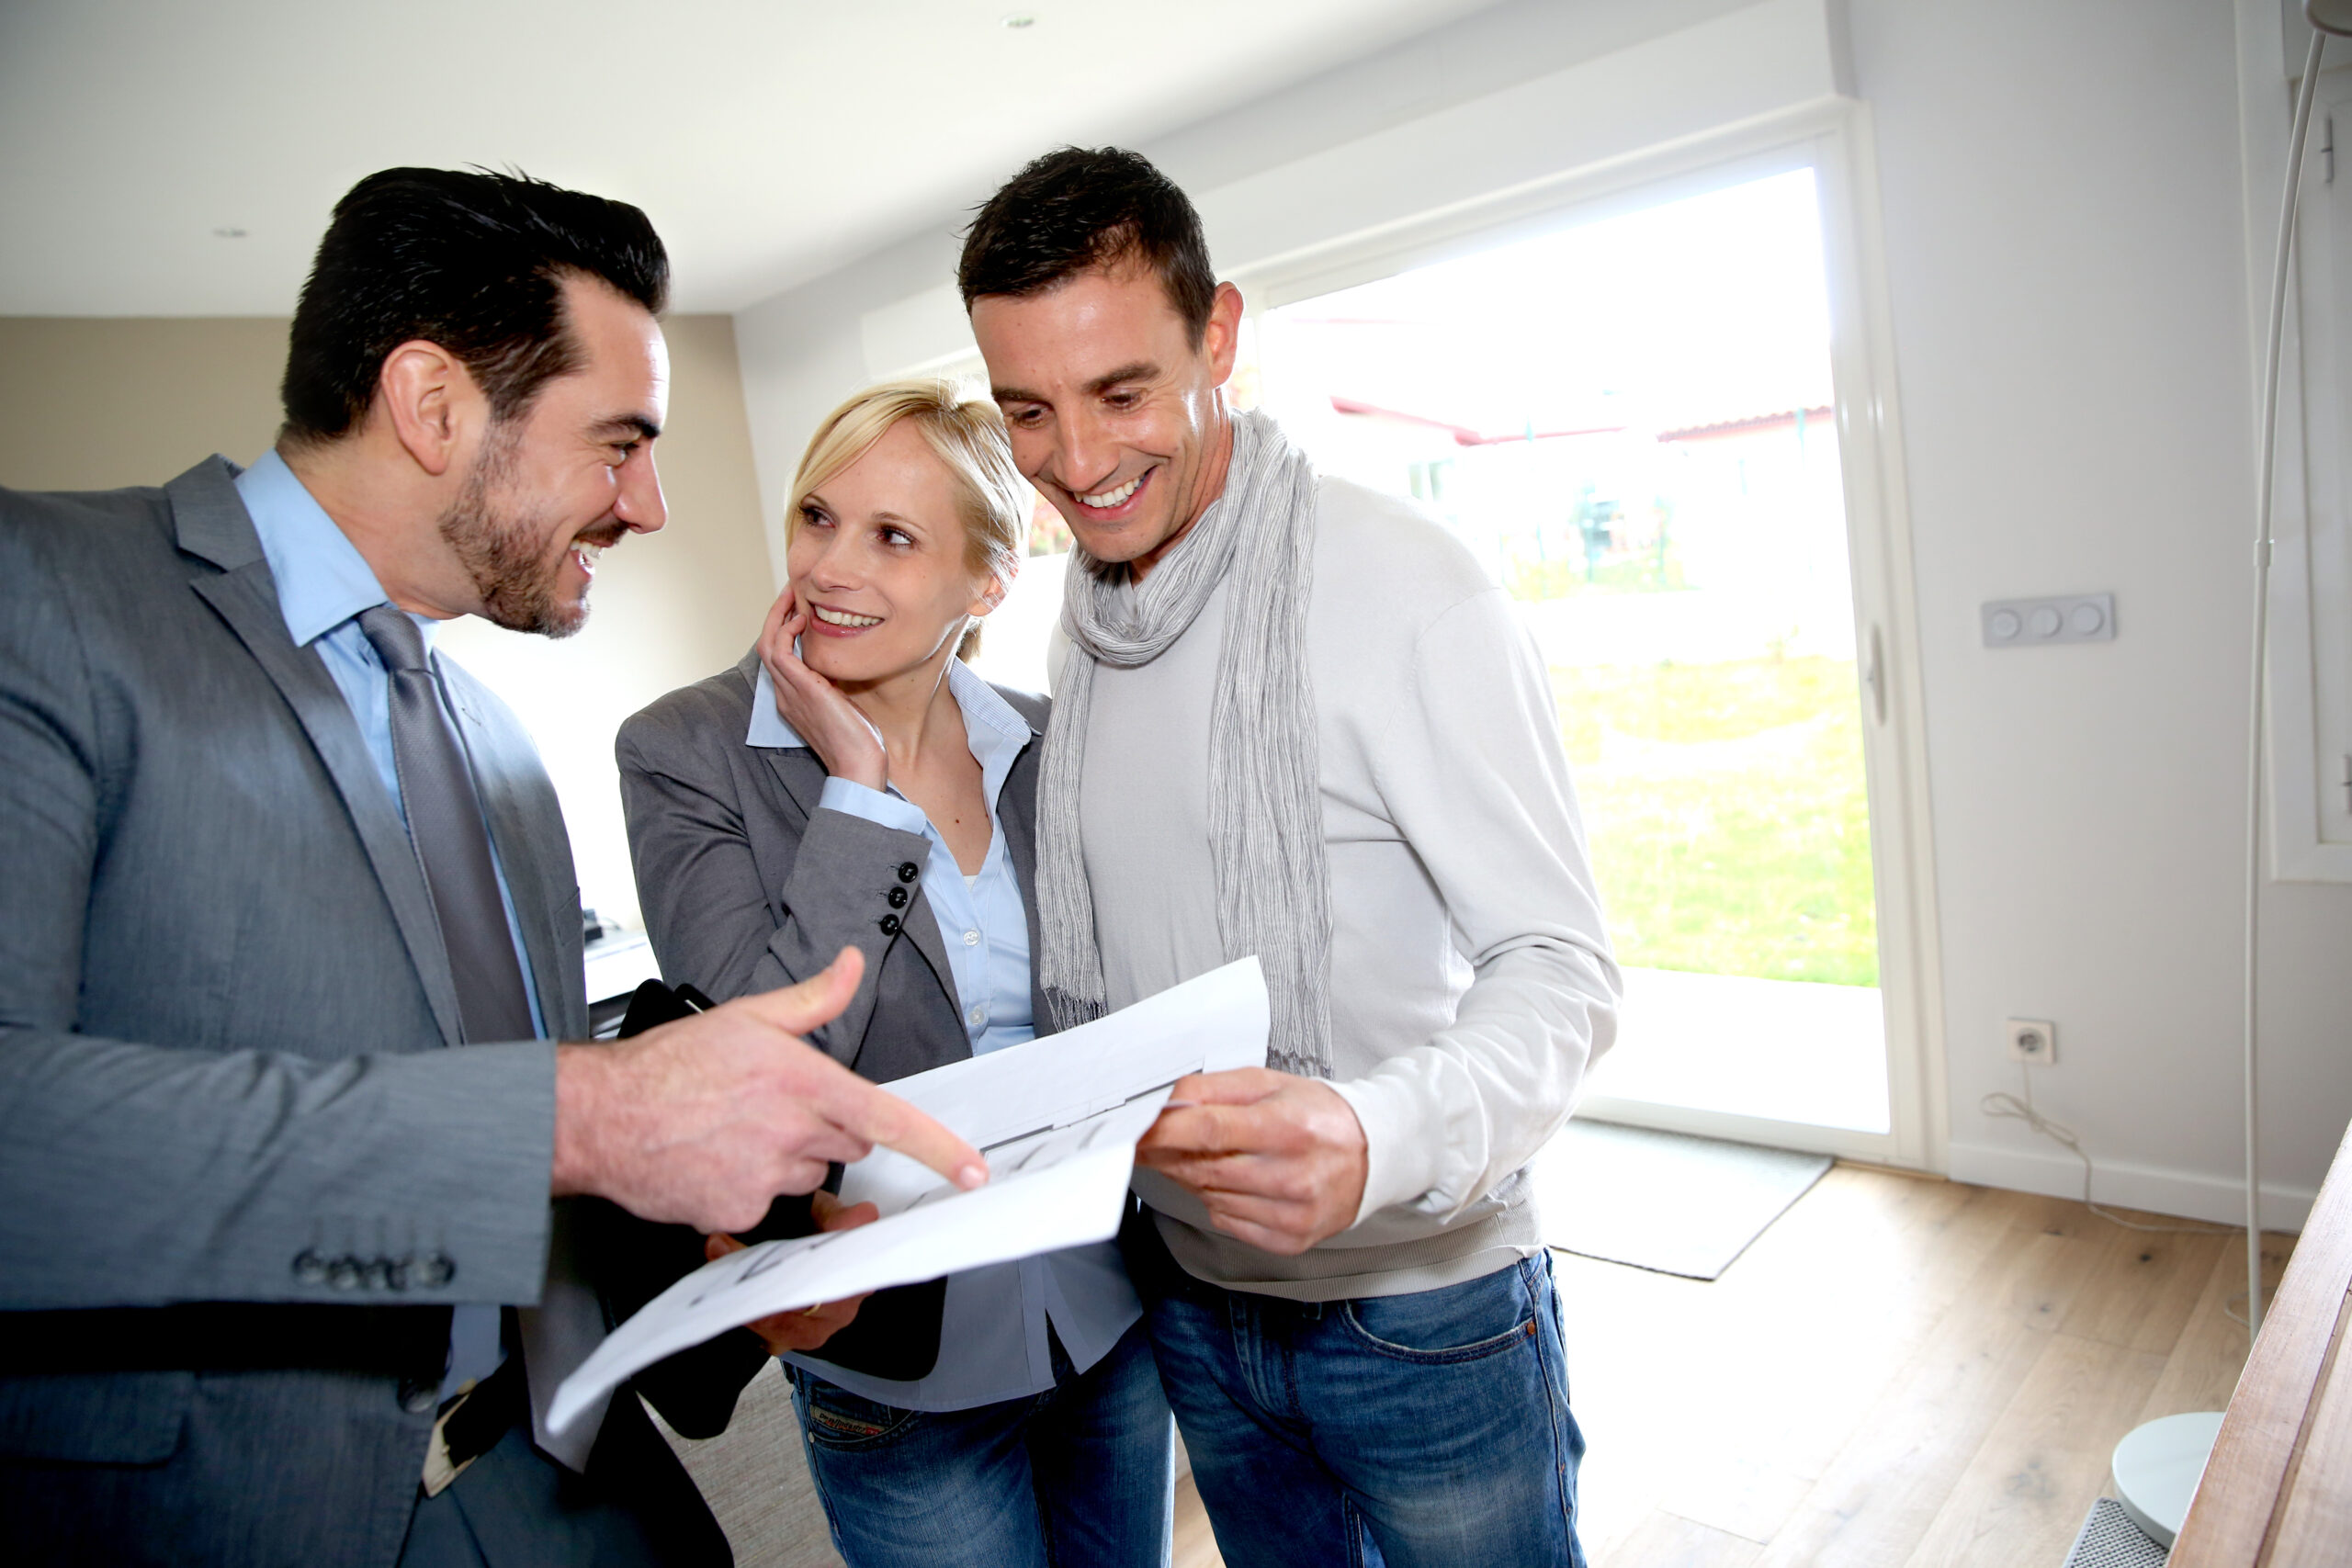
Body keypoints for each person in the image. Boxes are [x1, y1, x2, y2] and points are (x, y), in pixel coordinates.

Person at [0, 168, 986, 1568]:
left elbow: (526, 1204)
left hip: (571, 1494)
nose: (648, 507)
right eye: (619, 444)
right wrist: (582, 1116)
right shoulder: (41, 595)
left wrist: (726, 1275)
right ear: (434, 405)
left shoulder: (503, 753)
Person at [959, 146, 1623, 1568]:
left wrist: (1379, 1136)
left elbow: (1561, 970)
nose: (1077, 464)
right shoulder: (1079, 625)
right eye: (1028, 411)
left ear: (1220, 336)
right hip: (1194, 1301)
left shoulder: (1407, 586)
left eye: (1124, 392)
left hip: (1424, 1308)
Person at [616, 378, 1174, 1568]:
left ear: (986, 582)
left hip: (1102, 1312)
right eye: (817, 518)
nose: (829, 567)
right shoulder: (683, 754)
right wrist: (860, 795)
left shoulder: (1049, 740)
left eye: (893, 537)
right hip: (898, 1359)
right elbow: (760, 1065)